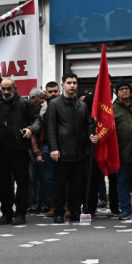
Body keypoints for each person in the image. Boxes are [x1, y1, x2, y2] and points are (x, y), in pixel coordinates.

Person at [0, 77, 41, 225]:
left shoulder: (25, 103)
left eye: (9, 89)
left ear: (15, 88)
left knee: (22, 182)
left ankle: (21, 212)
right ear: (0, 88)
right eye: (3, 89)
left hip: (19, 148)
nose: (6, 92)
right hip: (1, 149)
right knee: (4, 183)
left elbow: (37, 120)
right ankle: (6, 212)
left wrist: (30, 129)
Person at [45, 74, 90, 224]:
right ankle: (58, 211)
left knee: (77, 184)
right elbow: (50, 128)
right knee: (60, 184)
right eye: (69, 82)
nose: (72, 85)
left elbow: (88, 125)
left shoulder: (82, 105)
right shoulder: (54, 104)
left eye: (75, 83)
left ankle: (75, 210)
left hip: (79, 152)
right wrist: (54, 148)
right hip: (61, 151)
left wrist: (91, 136)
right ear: (63, 84)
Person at [111, 80, 132, 220]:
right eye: (121, 89)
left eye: (126, 88)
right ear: (117, 92)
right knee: (122, 182)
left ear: (130, 91)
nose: (124, 91)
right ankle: (125, 209)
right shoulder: (112, 109)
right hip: (121, 153)